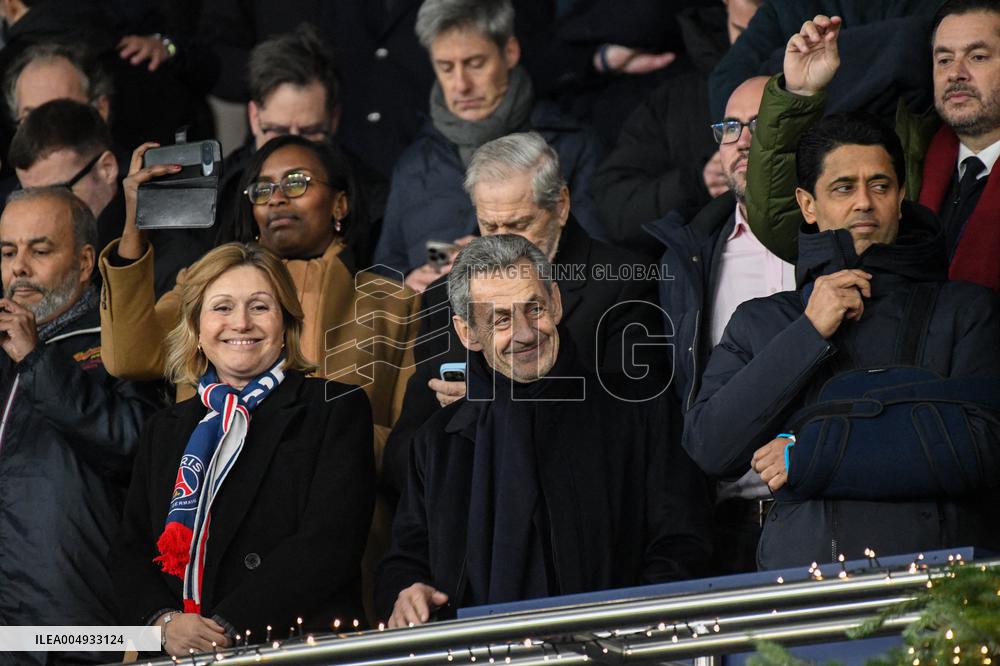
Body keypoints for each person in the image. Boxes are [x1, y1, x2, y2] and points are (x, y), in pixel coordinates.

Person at [683, 112, 1000, 570]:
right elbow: (711, 447)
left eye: (880, 185)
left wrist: (811, 455)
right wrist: (808, 333)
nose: (864, 203)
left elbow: (985, 447)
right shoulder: (764, 321)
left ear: (901, 195)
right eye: (843, 188)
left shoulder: (966, 310)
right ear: (807, 205)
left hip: (944, 592)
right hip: (803, 600)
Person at [377, 234, 711, 625]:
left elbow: (682, 543)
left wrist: (632, 630)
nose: (524, 333)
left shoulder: (638, 411)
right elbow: (405, 558)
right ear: (467, 332)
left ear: (555, 301)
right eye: (500, 318)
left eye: (533, 308)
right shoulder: (438, 443)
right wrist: (408, 589)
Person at [110, 243, 375, 655]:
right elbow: (132, 551)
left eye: (259, 307)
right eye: (222, 308)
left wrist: (227, 626)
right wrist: (164, 624)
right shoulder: (166, 427)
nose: (241, 323)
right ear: (197, 328)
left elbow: (329, 542)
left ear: (286, 321)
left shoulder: (335, 408)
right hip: (177, 653)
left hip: (288, 646)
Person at [382, 131, 667, 497]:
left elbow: (640, 428)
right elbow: (402, 459)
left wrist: (495, 405)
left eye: (518, 225)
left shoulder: (625, 285)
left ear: (561, 205)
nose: (503, 241)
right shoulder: (444, 298)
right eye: (489, 226)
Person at [0, 186, 159, 665]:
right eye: (8, 252)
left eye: (40, 250)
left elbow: (135, 445)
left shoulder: (120, 340)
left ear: (86, 261)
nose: (19, 268)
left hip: (78, 628)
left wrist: (36, 360)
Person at [745, 1, 1000, 291]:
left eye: (978, 57)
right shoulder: (906, 151)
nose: (955, 73)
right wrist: (800, 94)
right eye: (943, 59)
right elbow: (784, 224)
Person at [646, 76, 794, 575]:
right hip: (723, 529)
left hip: (820, 513)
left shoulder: (833, 240)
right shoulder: (688, 257)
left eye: (762, 124)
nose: (744, 140)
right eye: (732, 127)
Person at [373, 0, 604, 285]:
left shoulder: (572, 147)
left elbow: (600, 266)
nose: (461, 84)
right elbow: (383, 267)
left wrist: (513, 266)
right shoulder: (414, 161)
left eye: (475, 63)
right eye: (446, 67)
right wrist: (407, 282)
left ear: (510, 52)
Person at [591, 0, 761, 253]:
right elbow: (616, 207)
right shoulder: (676, 99)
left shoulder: (831, 85)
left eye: (774, 34)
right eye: (744, 33)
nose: (754, 50)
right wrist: (696, 183)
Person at [216, 25, 389, 267]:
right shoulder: (216, 197)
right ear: (255, 117)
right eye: (279, 131)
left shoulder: (373, 199)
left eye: (310, 132)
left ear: (334, 118)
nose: (293, 146)